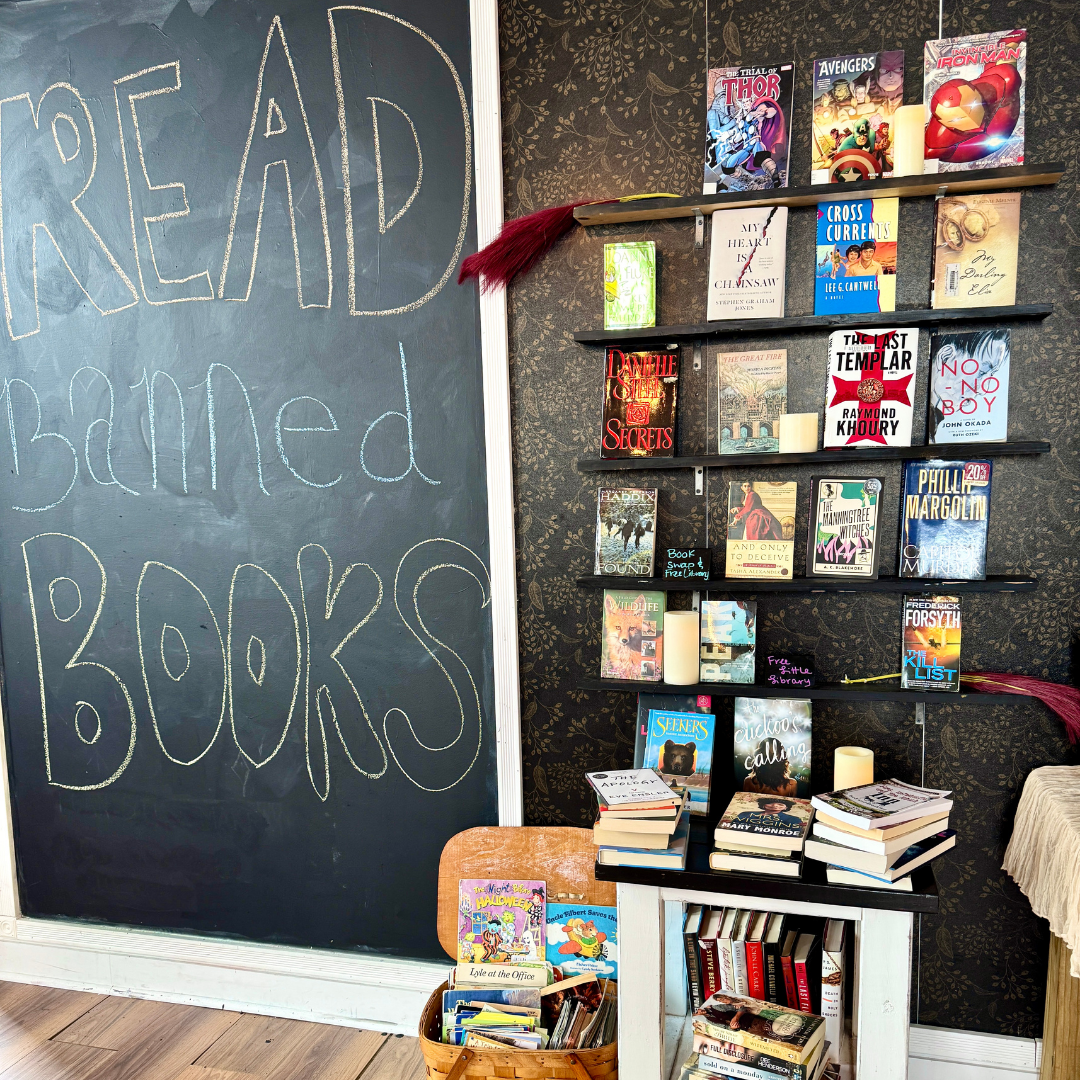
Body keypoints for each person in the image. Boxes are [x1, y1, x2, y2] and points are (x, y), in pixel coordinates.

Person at [731, 797, 804, 830]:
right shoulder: (745, 814)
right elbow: (734, 825)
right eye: (770, 803)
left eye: (780, 804)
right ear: (763, 805)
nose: (775, 806)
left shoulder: (793, 819)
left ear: (786, 808)